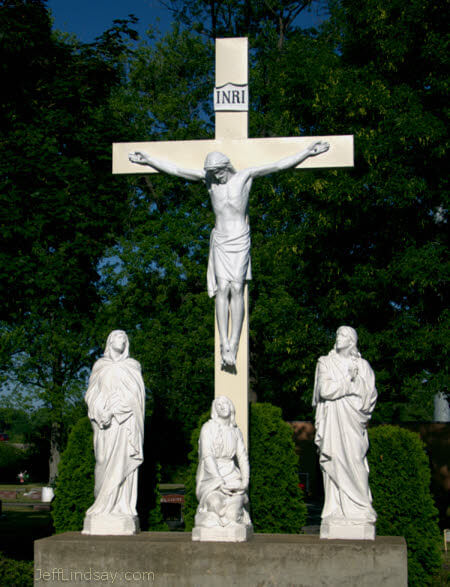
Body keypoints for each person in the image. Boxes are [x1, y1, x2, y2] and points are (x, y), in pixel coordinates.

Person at [129, 141, 329, 367]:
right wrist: (149, 161)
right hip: (221, 240)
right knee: (222, 289)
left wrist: (306, 152)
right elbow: (177, 170)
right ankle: (224, 342)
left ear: (226, 167)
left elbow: (278, 165)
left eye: (218, 173)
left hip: (239, 238)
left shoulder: (244, 177)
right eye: (212, 174)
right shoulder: (210, 182)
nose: (216, 177)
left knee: (237, 288)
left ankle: (234, 341)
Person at [312, 326, 378, 538]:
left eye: (342, 335)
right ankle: (336, 510)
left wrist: (355, 384)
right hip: (333, 421)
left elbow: (369, 397)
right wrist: (348, 384)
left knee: (355, 461)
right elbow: (324, 390)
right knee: (335, 460)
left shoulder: (363, 366)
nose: (337, 337)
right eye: (337, 333)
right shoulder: (325, 362)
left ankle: (361, 508)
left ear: (351, 341)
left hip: (353, 421)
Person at [82, 330, 145, 535]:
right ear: (110, 341)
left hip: (125, 423)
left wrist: (122, 406)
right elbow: (91, 394)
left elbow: (138, 397)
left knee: (123, 461)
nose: (122, 340)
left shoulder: (132, 366)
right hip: (105, 423)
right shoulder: (100, 366)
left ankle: (121, 507)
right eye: (118, 337)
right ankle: (101, 505)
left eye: (125, 338)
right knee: (102, 460)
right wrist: (102, 410)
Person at [194, 395, 251, 530]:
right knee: (215, 504)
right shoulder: (207, 428)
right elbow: (207, 457)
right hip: (211, 478)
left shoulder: (236, 432)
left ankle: (235, 516)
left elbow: (242, 457)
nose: (222, 406)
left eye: (225, 403)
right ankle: (214, 519)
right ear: (215, 410)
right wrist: (219, 482)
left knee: (232, 512)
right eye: (218, 405)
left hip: (232, 477)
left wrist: (245, 481)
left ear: (231, 407)